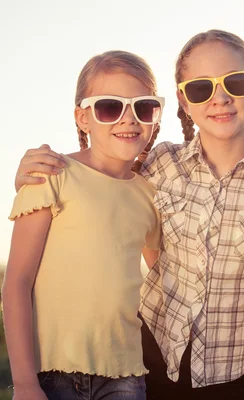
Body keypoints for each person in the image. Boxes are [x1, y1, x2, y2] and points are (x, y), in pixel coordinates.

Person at [13, 30, 244, 399]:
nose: (220, 98)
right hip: (149, 361)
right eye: (201, 88)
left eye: (235, 83)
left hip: (237, 373)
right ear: (183, 101)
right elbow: (105, 173)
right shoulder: (160, 165)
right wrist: (36, 173)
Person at [2, 51, 164, 400]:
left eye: (143, 107)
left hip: (125, 374)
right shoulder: (51, 174)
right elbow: (17, 281)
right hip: (51, 372)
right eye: (110, 107)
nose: (128, 119)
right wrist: (25, 383)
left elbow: (163, 277)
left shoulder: (150, 195)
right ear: (83, 118)